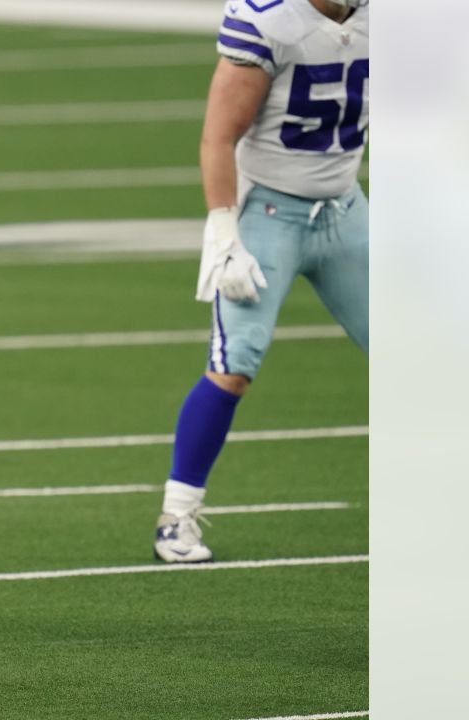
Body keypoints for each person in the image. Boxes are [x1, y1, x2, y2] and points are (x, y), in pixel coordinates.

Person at [153, 0, 369, 563]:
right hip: (268, 214)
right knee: (235, 363)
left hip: (346, 210)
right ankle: (176, 516)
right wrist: (225, 232)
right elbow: (218, 136)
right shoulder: (269, 20)